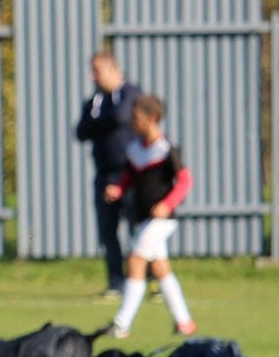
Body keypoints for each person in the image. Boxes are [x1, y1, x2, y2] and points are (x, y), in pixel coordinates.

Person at [103, 94, 195, 339]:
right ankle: (185, 322)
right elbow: (129, 177)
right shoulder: (134, 149)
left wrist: (167, 204)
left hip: (162, 220)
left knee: (135, 261)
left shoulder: (165, 149)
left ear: (152, 118)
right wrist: (118, 189)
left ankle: (122, 323)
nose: (133, 122)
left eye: (136, 117)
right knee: (160, 268)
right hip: (143, 218)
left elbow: (185, 181)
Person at [75, 50, 142, 300]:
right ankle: (116, 281)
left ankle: (148, 280)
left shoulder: (131, 93)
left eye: (97, 71)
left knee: (140, 230)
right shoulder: (95, 101)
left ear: (112, 70)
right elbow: (81, 131)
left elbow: (122, 116)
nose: (93, 77)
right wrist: (102, 121)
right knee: (108, 231)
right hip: (104, 176)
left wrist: (99, 122)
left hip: (132, 175)